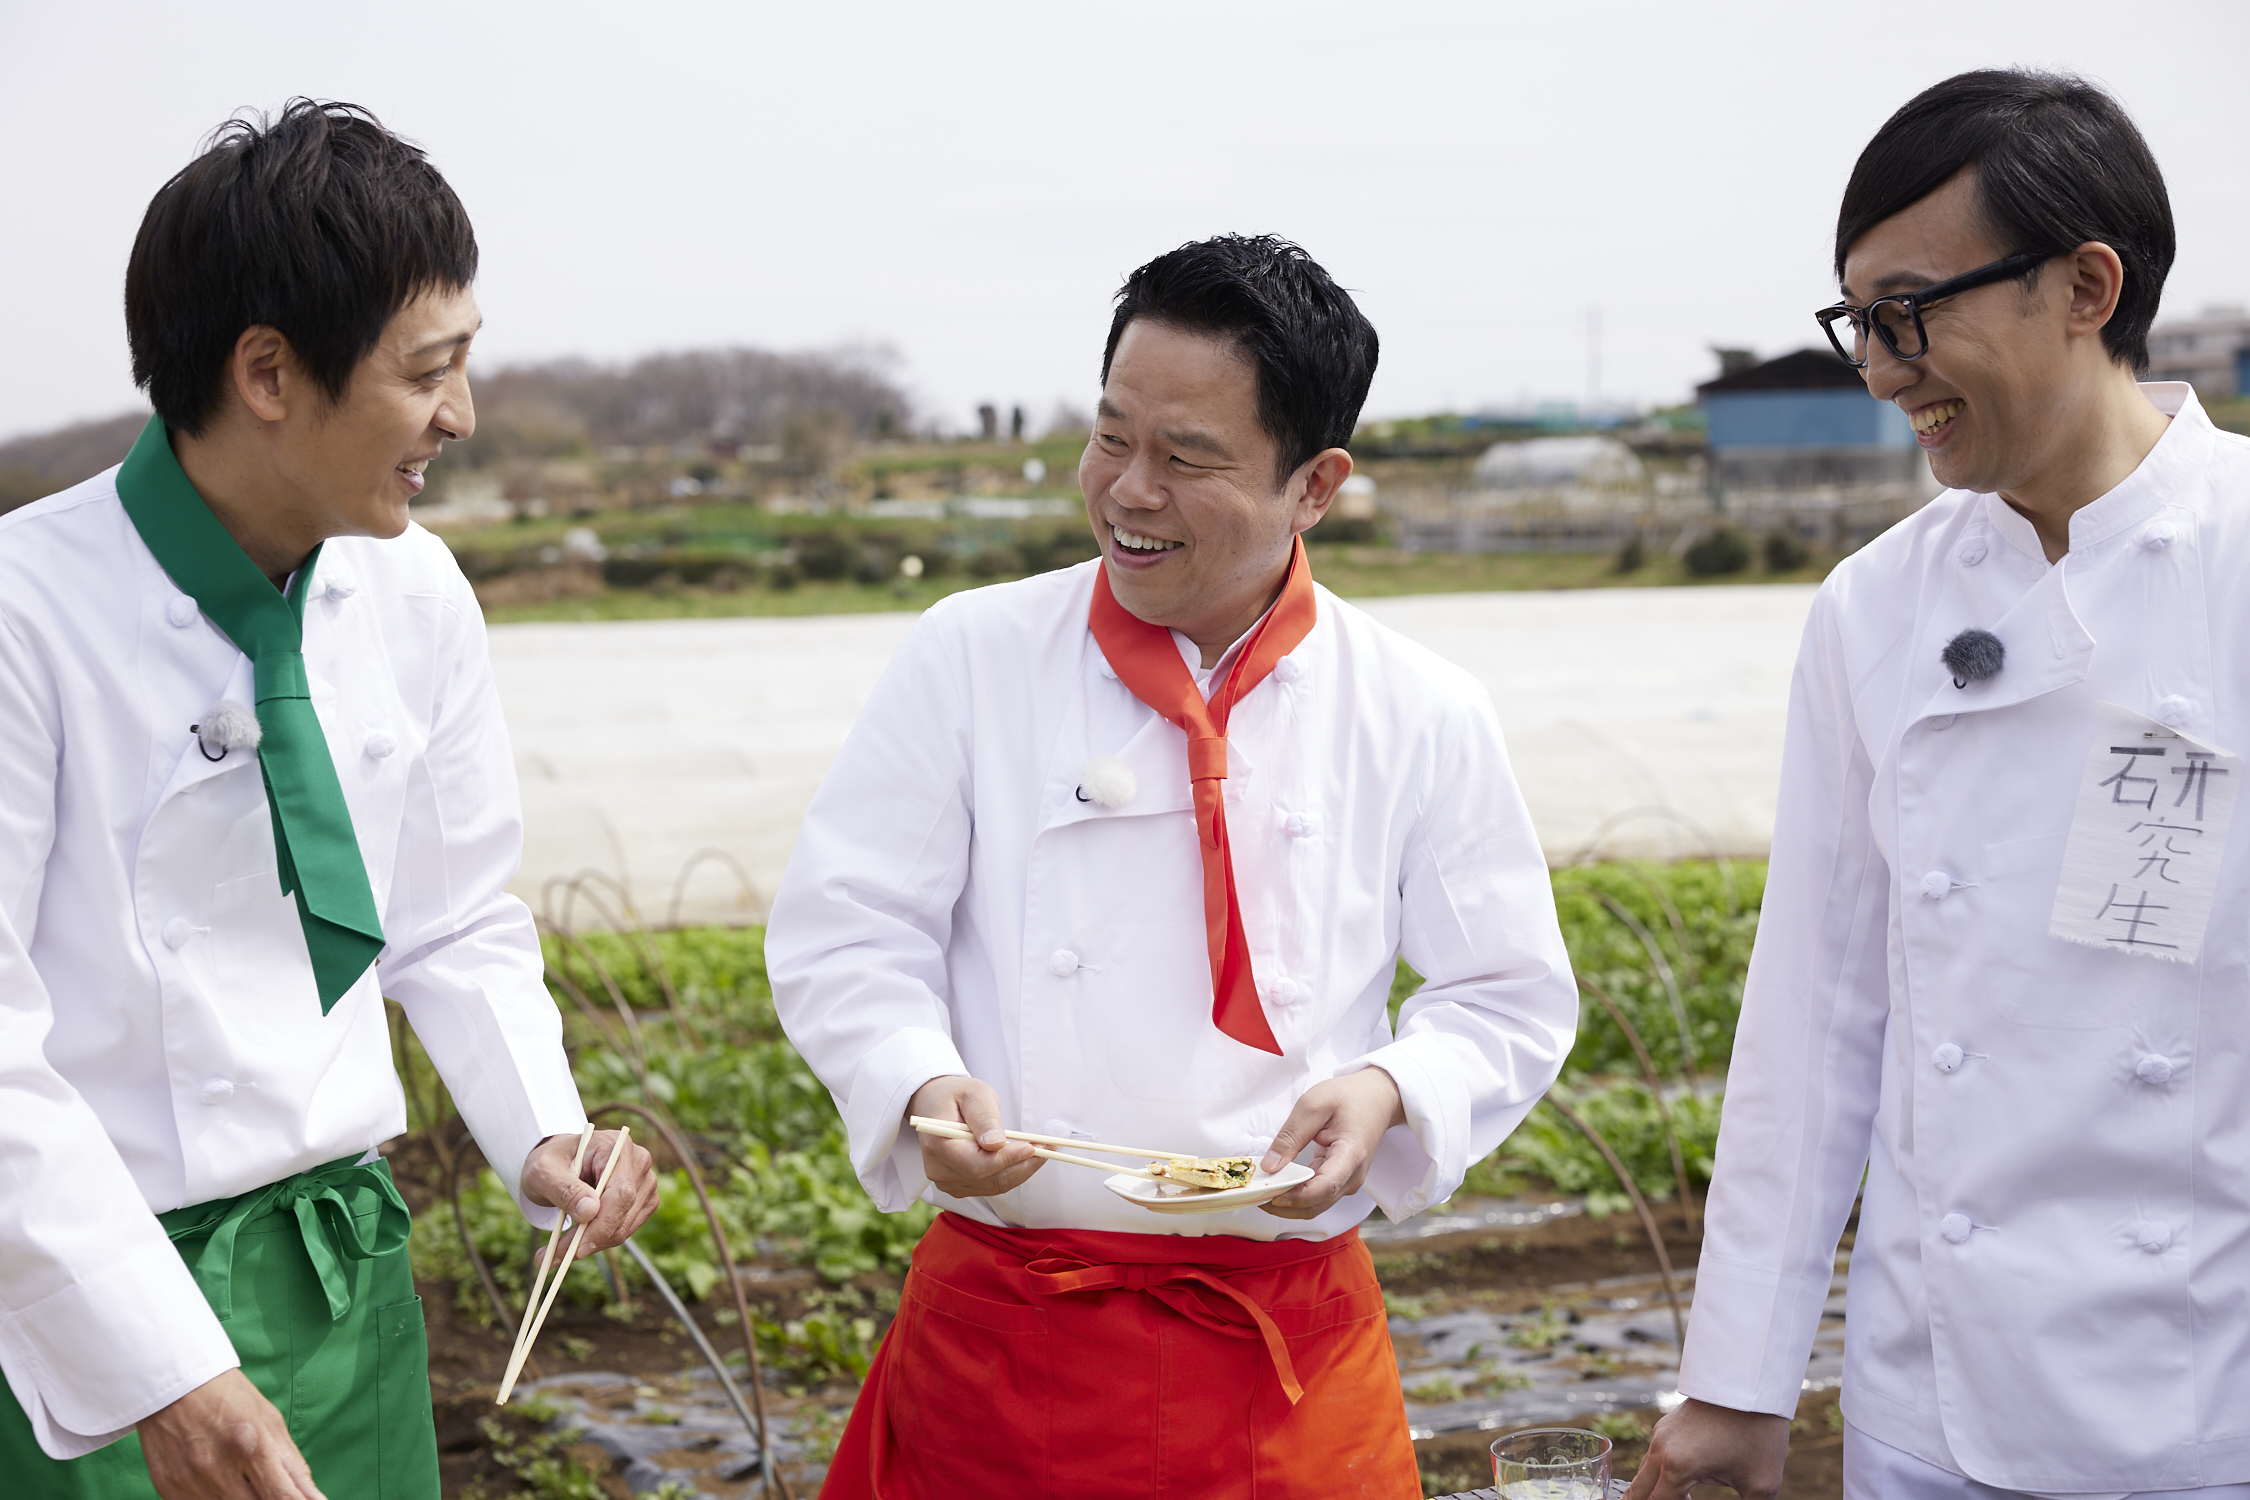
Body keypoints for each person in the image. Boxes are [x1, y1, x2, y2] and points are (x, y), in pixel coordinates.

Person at [766, 233, 1578, 1498]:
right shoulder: (973, 655)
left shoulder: (1418, 707)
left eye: (1188, 458)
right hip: (1008, 1337)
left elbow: (1507, 994)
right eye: (1110, 438)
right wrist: (918, 1079)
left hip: (1285, 1352)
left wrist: (1392, 1088)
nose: (1128, 491)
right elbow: (848, 928)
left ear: (1314, 486)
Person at [0, 100, 659, 1500]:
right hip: (82, 1301)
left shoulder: (412, 587)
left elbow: (450, 913)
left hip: (346, 1277)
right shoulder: (24, 617)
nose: (461, 418)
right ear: (266, 372)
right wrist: (159, 1371)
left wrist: (537, 1123)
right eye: (430, 372)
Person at [1630, 70, 2250, 1500]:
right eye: (1858, 324)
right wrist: (1738, 1378)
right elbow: (1813, 1014)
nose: (1882, 367)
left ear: (2084, 285)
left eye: (1910, 313)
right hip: (1938, 1399)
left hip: (2210, 1388)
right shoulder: (1872, 610)